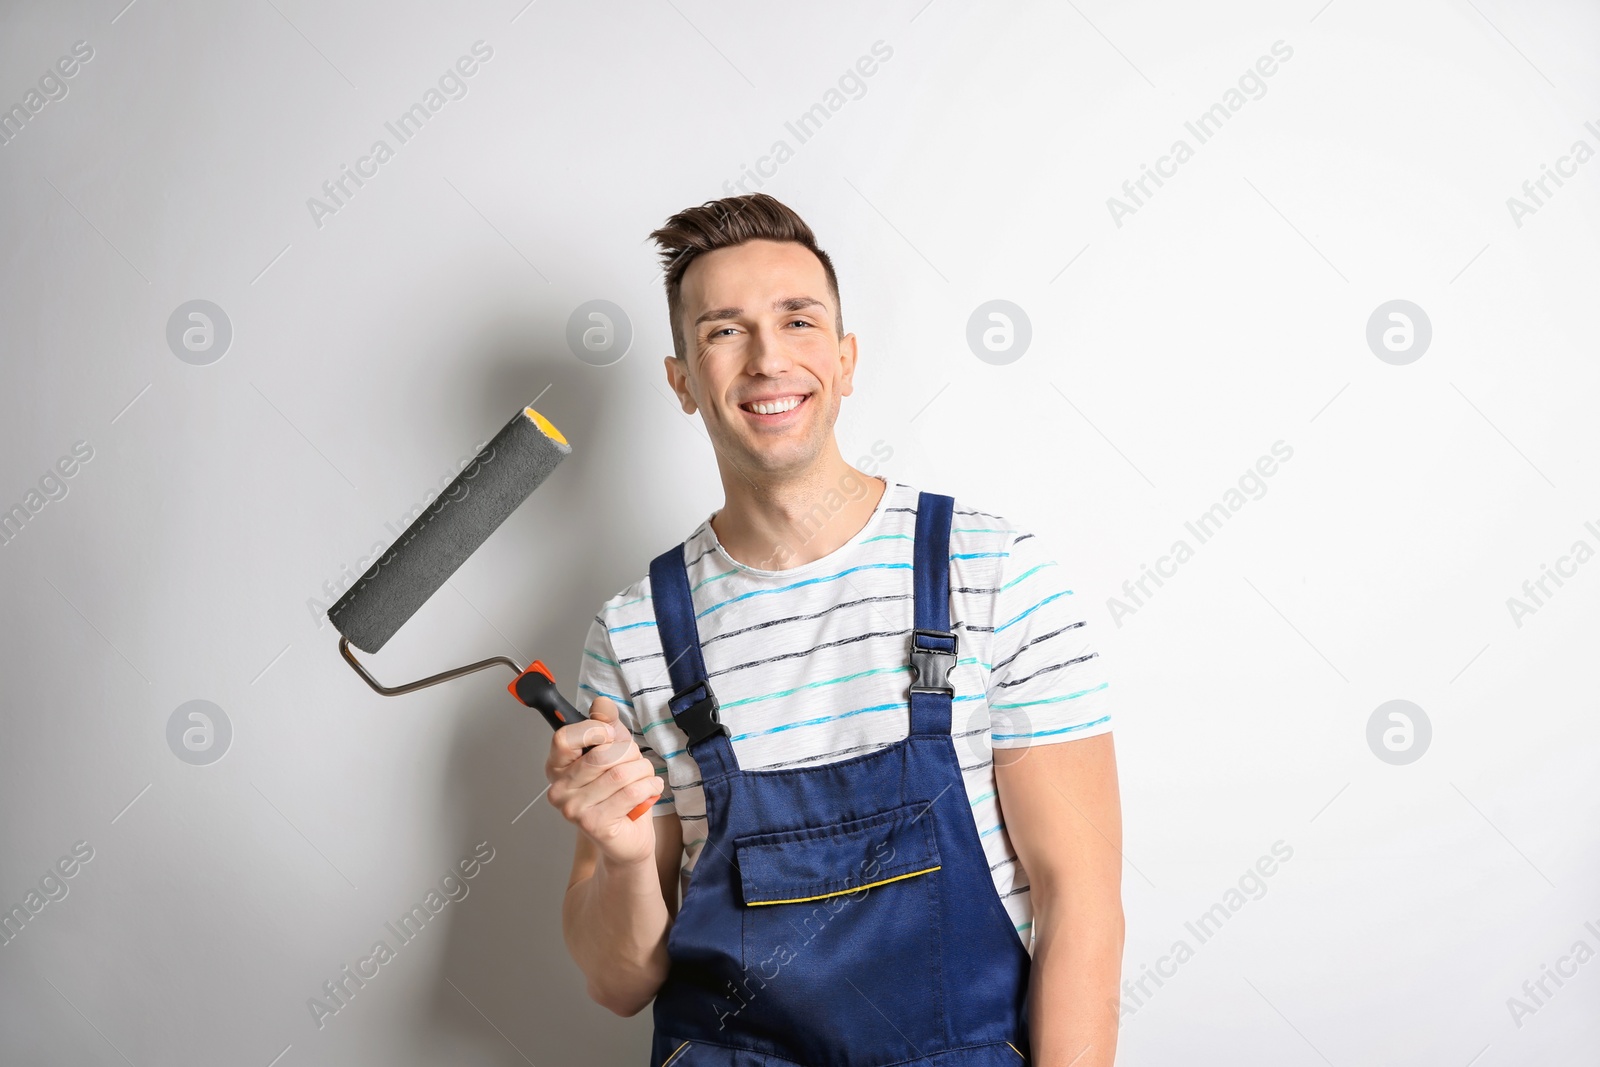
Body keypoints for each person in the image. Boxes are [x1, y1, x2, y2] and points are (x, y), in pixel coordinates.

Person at [545, 193, 1123, 1066]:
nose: (768, 358)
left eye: (798, 320)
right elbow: (617, 980)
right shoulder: (632, 635)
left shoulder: (994, 574)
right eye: (724, 331)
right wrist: (627, 857)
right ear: (682, 380)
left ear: (845, 360)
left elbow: (1081, 904)